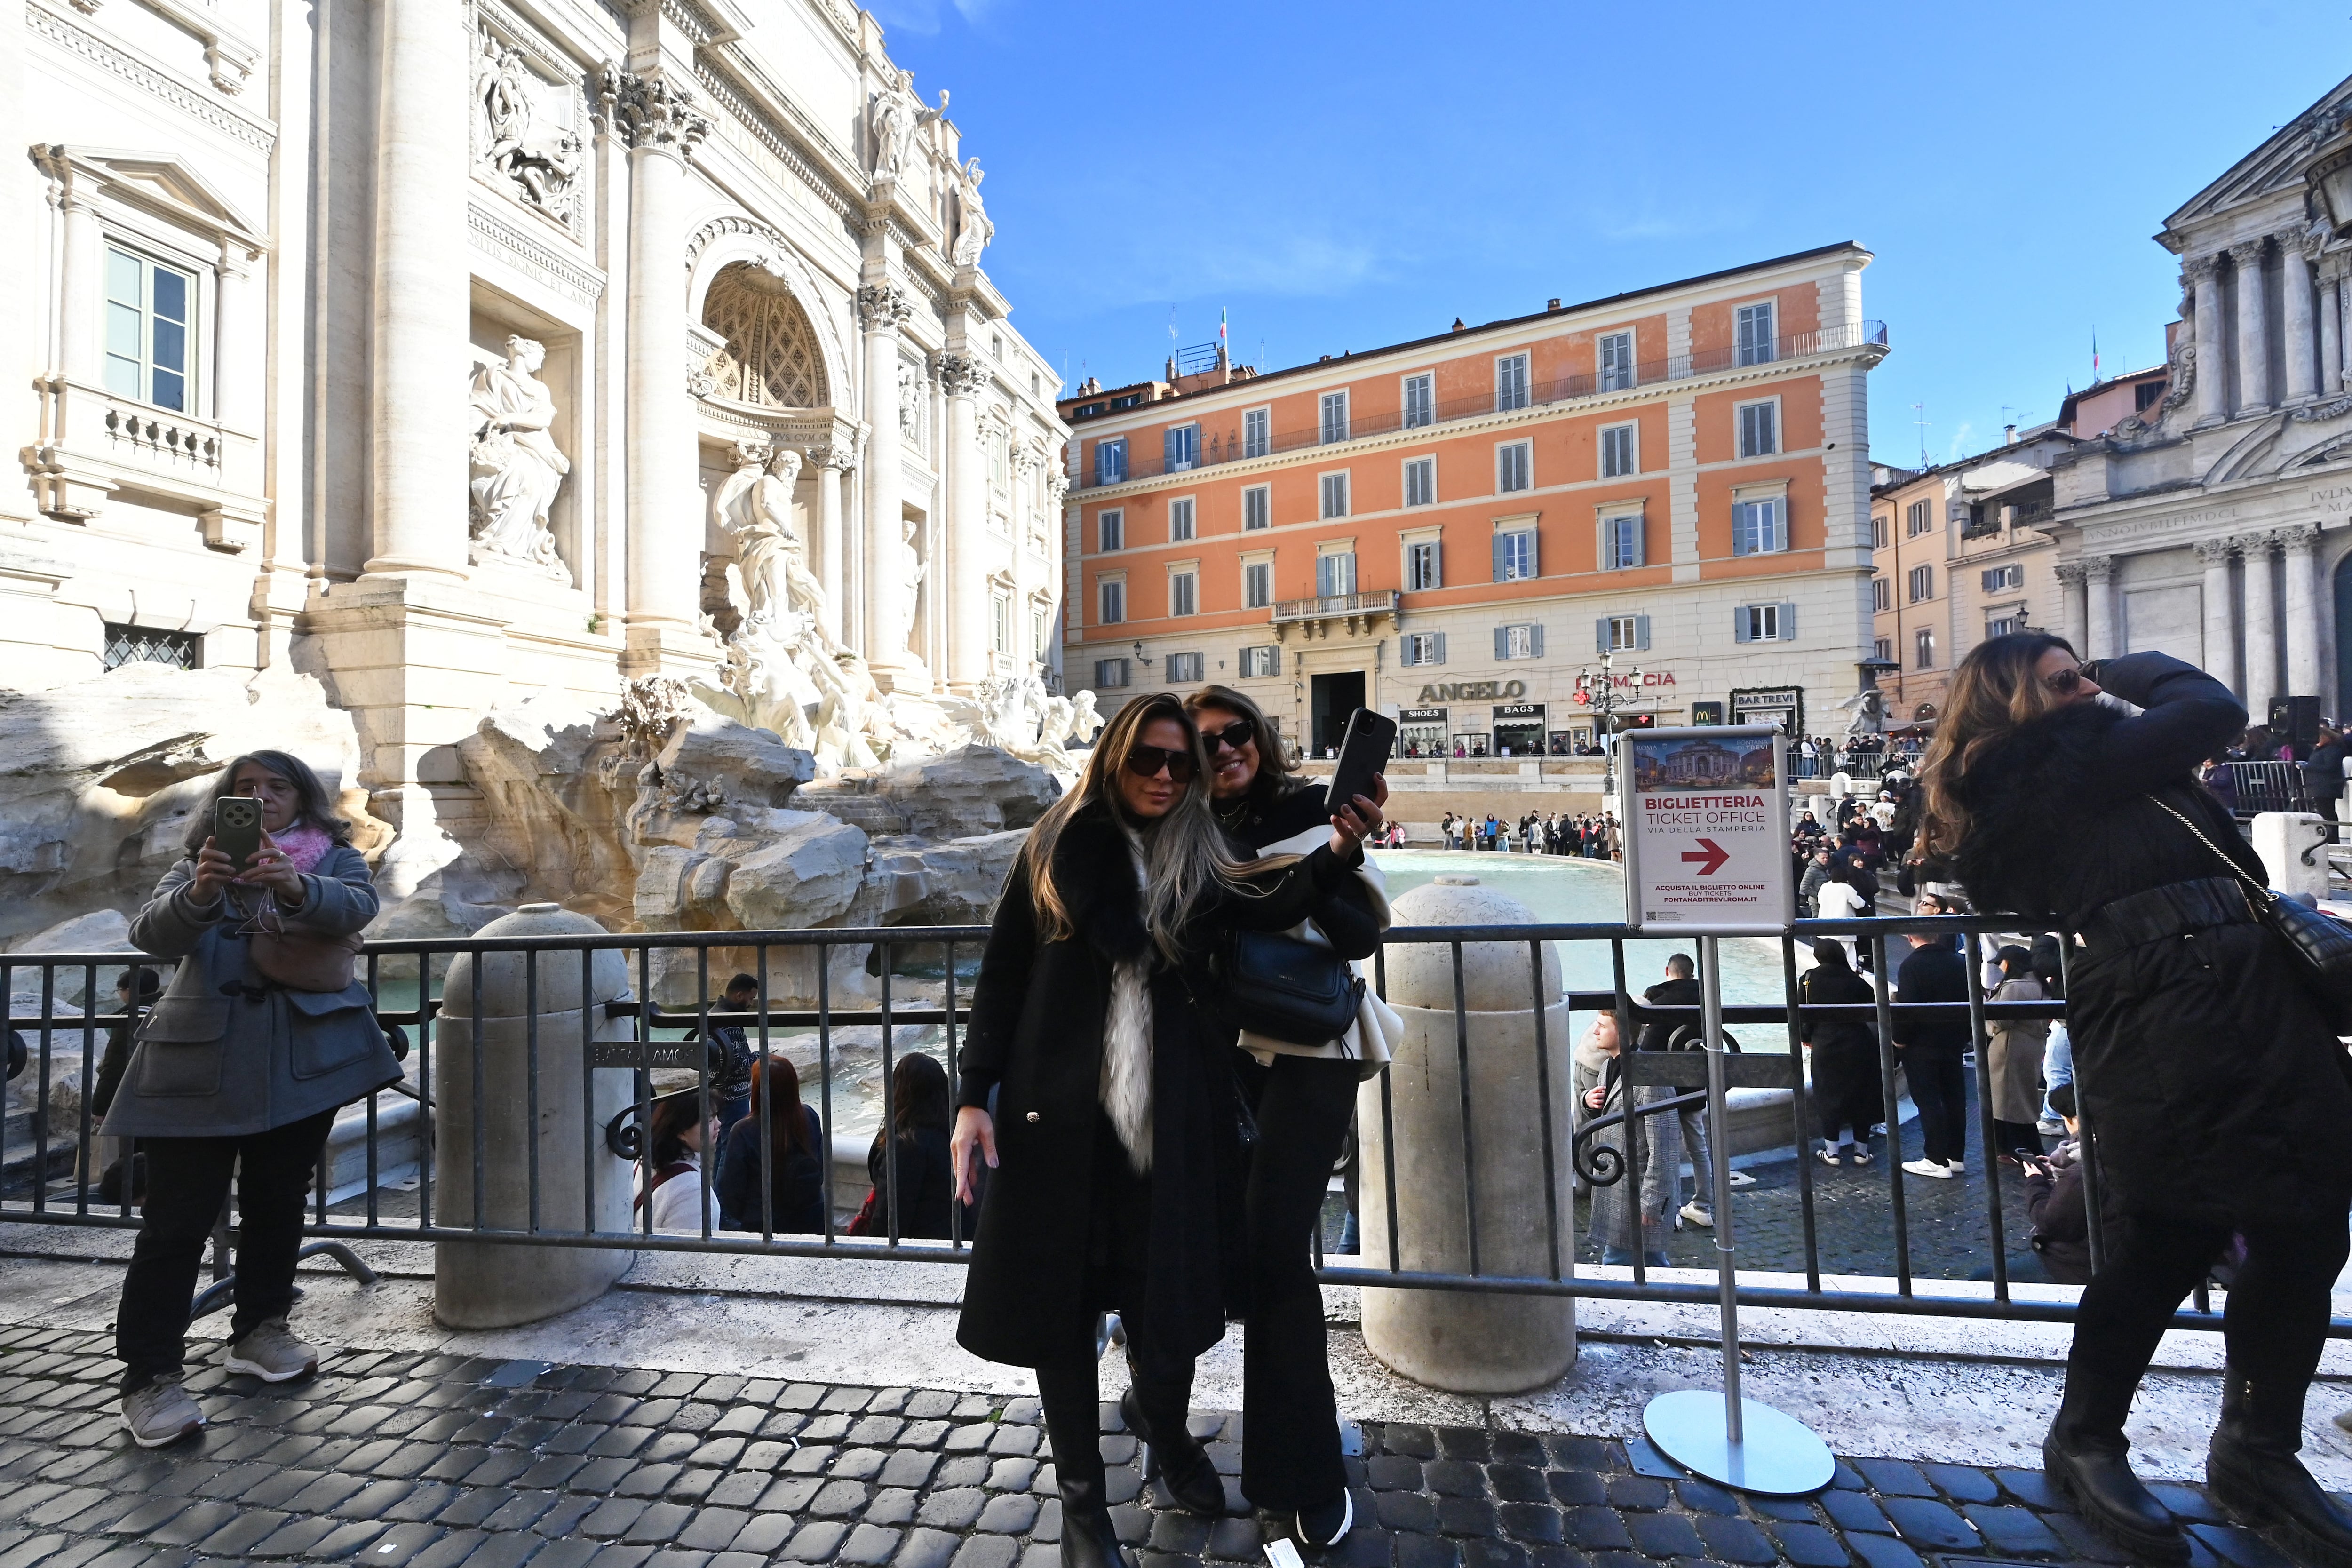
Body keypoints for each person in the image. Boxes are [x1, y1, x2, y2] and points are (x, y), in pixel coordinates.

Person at [1922, 633, 2352, 1564]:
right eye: (2058, 681)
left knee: (2310, 1224)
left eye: (2083, 674)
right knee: (2165, 1232)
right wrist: (2125, 667)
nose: (2083, 689)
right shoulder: (2029, 772)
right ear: (2007, 707)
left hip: (2257, 996)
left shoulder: (2114, 767)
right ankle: (2085, 1435)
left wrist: (2084, 686)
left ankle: (2258, 1448)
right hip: (2159, 1009)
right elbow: (2209, 707)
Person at [950, 693, 1384, 1568]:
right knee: (1065, 1316)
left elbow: (1275, 907)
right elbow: (1003, 972)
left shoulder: (1200, 852)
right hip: (1058, 1115)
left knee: (1168, 1304)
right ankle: (1083, 1511)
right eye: (1149, 757)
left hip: (1171, 1118)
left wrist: (1340, 847)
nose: (1164, 775)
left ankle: (1172, 1433)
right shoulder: (1054, 843)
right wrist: (971, 1095)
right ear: (1114, 755)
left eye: (1180, 763)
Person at [101, 751, 401, 1448]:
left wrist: (297, 887)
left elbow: (360, 908)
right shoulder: (197, 862)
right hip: (197, 1065)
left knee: (279, 1202)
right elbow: (150, 936)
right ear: (226, 802)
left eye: (277, 787)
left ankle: (261, 1330)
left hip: (299, 1063)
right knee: (175, 1223)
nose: (261, 798)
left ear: (303, 798)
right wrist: (202, 892)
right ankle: (148, 1377)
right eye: (245, 789)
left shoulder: (333, 857)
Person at [1635, 955, 1748, 1230]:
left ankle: (1671, 1210)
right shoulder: (1709, 999)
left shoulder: (1661, 1005)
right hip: (1697, 1087)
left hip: (1666, 1090)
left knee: (1666, 1150)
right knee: (1699, 1148)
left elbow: (1646, 1051)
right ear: (1692, 972)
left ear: (1668, 971)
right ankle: (1703, 1207)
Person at [1581, 1009, 1680, 1267]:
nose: (1595, 1031)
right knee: (1648, 1262)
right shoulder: (1607, 1067)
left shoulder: (1650, 1076)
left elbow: (1666, 1145)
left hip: (1635, 1190)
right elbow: (1606, 1114)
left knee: (1621, 1262)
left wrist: (1652, 1201)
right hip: (1616, 1185)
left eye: (1602, 1026)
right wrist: (1587, 1101)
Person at [855, 1052, 969, 1240]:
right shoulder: (953, 1134)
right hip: (955, 1239)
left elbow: (890, 1221)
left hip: (925, 1248)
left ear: (899, 1092)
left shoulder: (907, 1146)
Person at [714, 1053, 826, 1234]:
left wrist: (749, 1215)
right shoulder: (810, 1116)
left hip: (762, 1223)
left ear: (758, 1090)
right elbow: (820, 1168)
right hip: (812, 1216)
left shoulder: (743, 1131)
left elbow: (731, 1191)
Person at [1890, 928, 1970, 1179]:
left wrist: (1899, 1040)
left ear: (1911, 938)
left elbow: (1908, 1009)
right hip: (1953, 1042)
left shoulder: (1912, 965)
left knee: (1928, 1101)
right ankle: (1955, 1156)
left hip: (1922, 1044)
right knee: (1954, 1099)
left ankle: (1936, 1159)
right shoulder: (1959, 962)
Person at [1798, 939, 1881, 1166]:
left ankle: (1832, 1151)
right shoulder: (1858, 982)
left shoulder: (1808, 979)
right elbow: (1870, 1015)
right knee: (1861, 1094)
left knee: (1828, 1094)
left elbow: (1804, 1013)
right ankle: (1861, 1152)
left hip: (1826, 1043)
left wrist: (1807, 1038)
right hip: (1859, 1042)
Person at [90, 966, 163, 1206]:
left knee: (135, 1158)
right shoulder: (166, 1009)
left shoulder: (128, 1018)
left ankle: (135, 1204)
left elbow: (114, 1066)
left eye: (120, 990)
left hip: (136, 1095)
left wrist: (100, 1106)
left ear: (130, 991)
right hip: (169, 1097)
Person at [2022, 1084, 2096, 1286]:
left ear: (2075, 1120)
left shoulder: (2083, 1170)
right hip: (2099, 1256)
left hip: (2077, 1264)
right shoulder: (2119, 1147)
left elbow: (2051, 1222)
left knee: (1982, 1278)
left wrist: (2035, 1180)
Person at [1983, 944, 2050, 1161]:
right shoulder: (2038, 983)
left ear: (2010, 963)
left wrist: (1987, 1003)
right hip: (2030, 1045)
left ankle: (2024, 1150)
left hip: (2010, 1047)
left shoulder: (2014, 987)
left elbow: (2000, 1019)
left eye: (2002, 963)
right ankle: (2006, 1147)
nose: (2001, 968)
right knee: (2016, 1097)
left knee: (2010, 1099)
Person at [636, 1076, 719, 1233]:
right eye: (709, 1121)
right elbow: (690, 1253)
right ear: (681, 1131)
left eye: (716, 1116)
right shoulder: (693, 1193)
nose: (718, 1124)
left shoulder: (642, 1163)